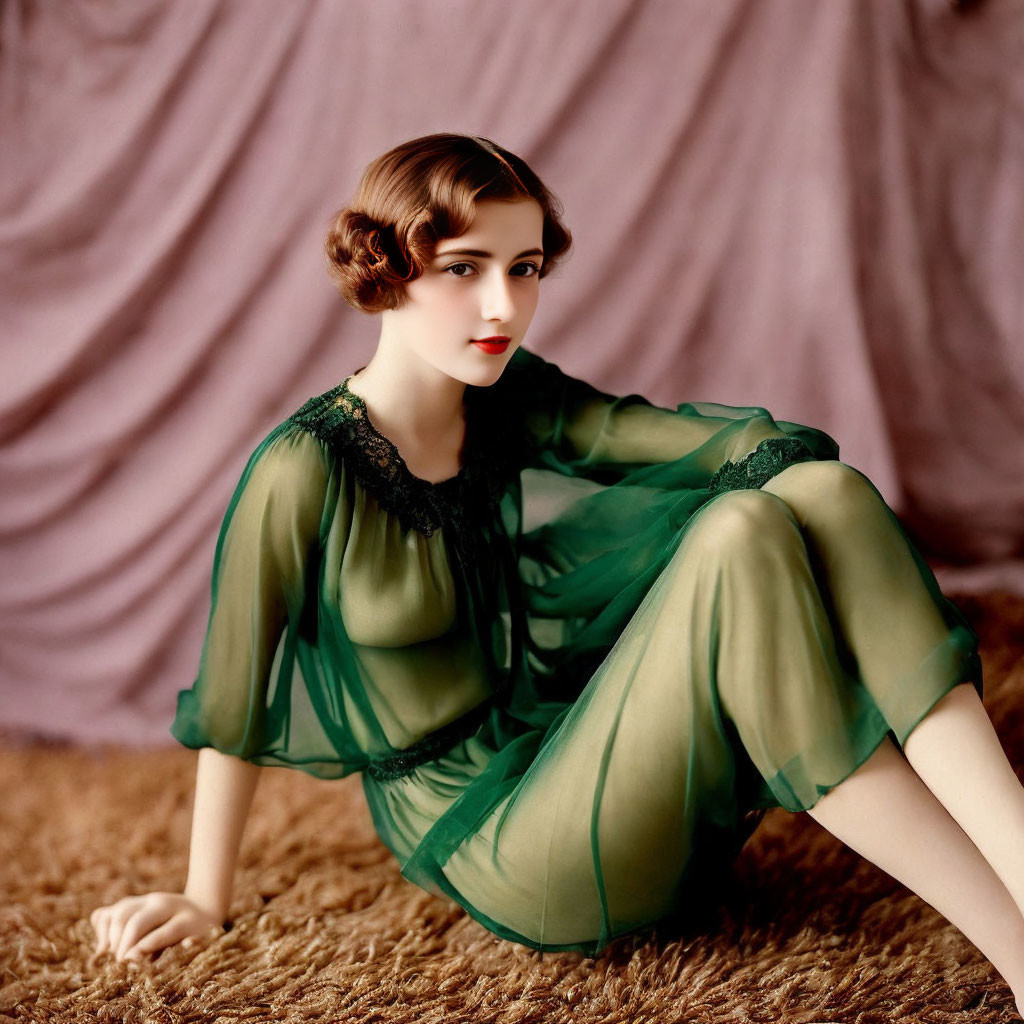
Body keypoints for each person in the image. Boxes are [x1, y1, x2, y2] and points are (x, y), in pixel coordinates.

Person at [90, 133, 1024, 1016]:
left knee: (817, 487)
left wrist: (804, 475)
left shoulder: (507, 396)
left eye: (525, 269)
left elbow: (671, 438)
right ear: (388, 268)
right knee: (739, 532)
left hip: (584, 761)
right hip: (506, 851)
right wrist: (203, 894)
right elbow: (234, 697)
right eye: (464, 269)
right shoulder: (304, 469)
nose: (503, 305)